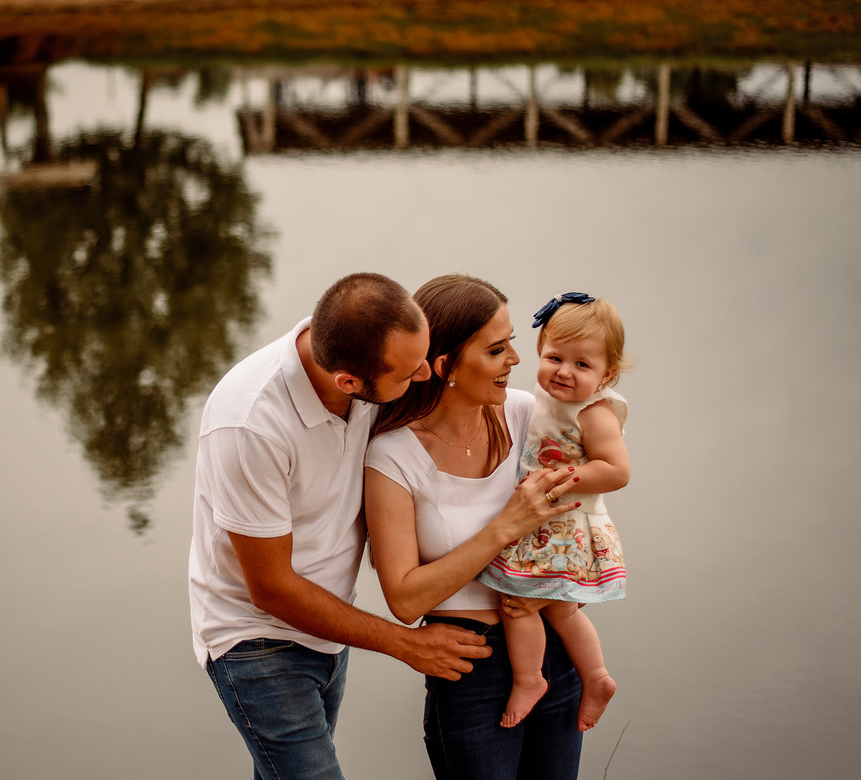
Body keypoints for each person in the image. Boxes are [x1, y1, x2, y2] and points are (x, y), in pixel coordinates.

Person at [191, 272, 550, 780]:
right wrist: (404, 643)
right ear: (350, 383)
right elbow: (270, 587)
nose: (425, 375)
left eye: (426, 357)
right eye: (409, 375)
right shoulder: (250, 423)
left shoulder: (367, 347)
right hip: (257, 638)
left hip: (331, 625)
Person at [365, 274, 584, 780]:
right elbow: (404, 599)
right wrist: (505, 526)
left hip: (552, 641)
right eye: (497, 349)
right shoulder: (392, 456)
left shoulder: (524, 414)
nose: (515, 359)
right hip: (468, 665)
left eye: (511, 342)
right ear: (446, 367)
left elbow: (576, 511)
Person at [478, 293, 630, 732]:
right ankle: (596, 676)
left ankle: (530, 680)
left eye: (582, 365)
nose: (564, 371)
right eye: (554, 357)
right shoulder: (536, 400)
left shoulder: (594, 411)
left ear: (607, 374)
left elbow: (617, 470)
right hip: (544, 525)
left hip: (568, 530)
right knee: (560, 610)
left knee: (517, 606)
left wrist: (560, 479)